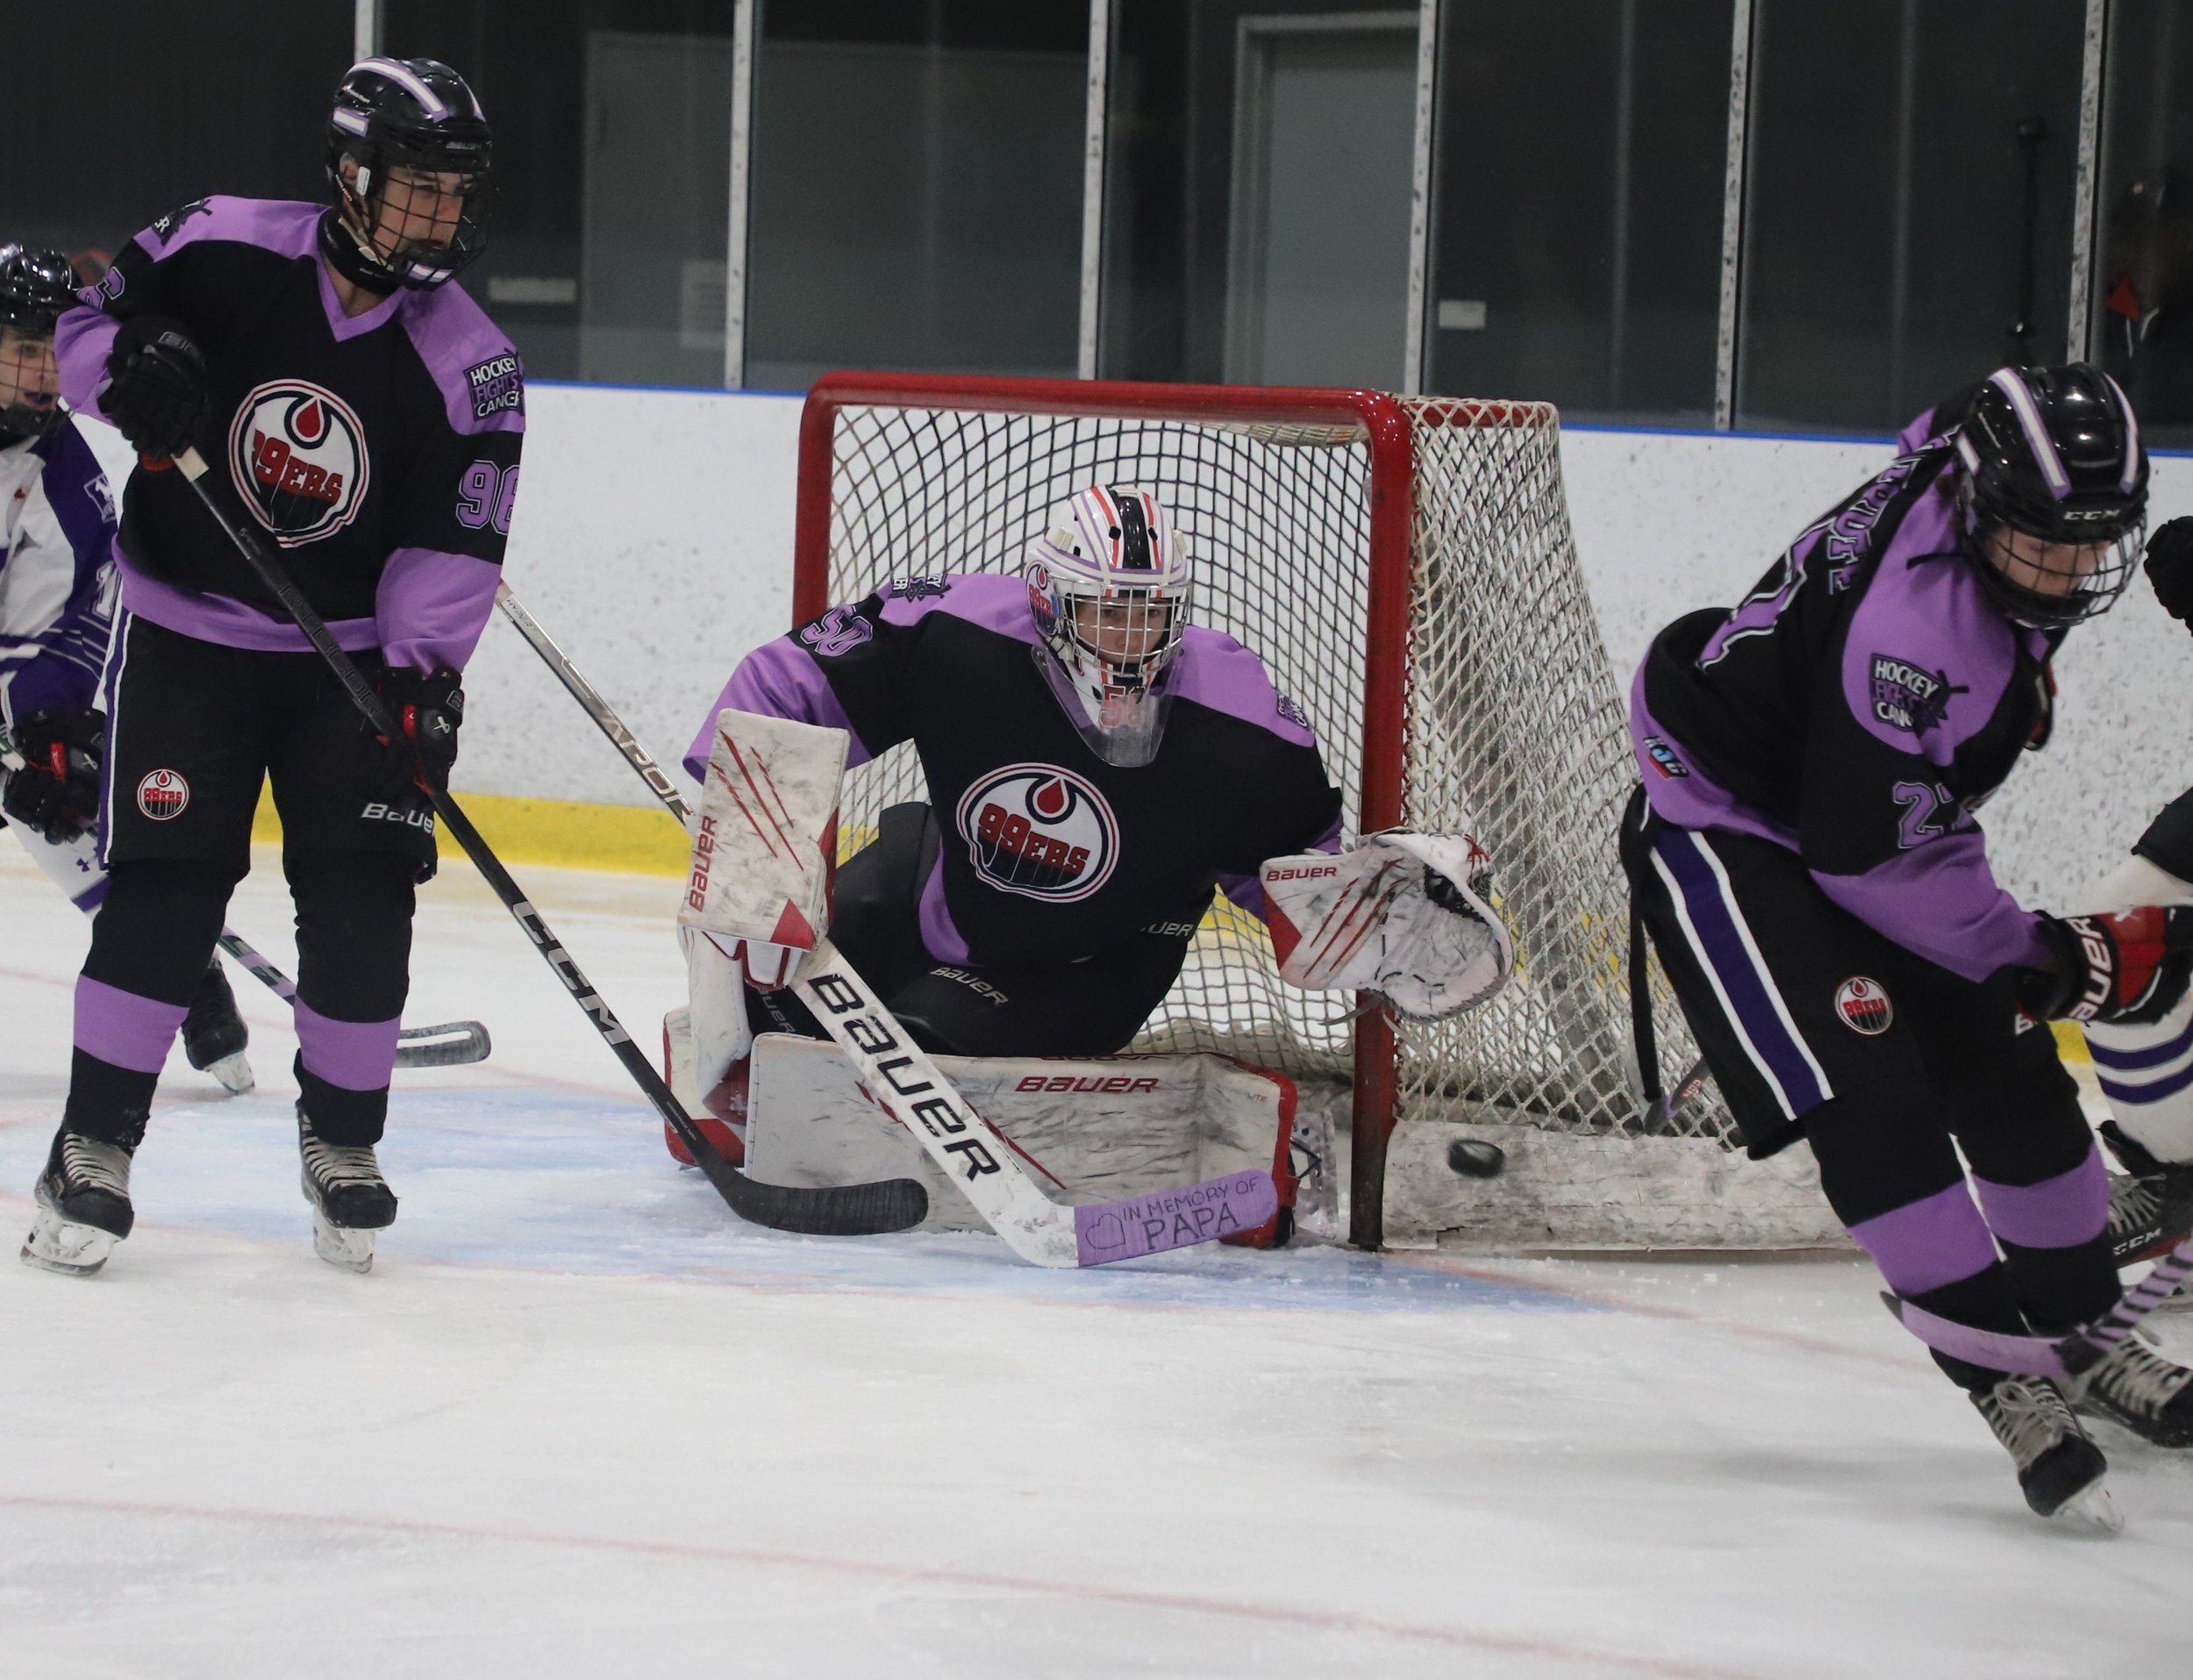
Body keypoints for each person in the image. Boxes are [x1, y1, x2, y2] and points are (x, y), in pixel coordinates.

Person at [1623, 364, 2193, 1527]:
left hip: (1852, 812)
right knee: (1872, 1097)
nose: (2072, 570)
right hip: (1735, 833)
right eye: (2043, 541)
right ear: (1983, 509)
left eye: (2094, 541)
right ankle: (2008, 1380)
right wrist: (2039, 952)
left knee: (2019, 1078)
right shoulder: (1917, 638)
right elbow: (1864, 861)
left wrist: (2020, 982)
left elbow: (1952, 406)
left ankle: (2084, 1335)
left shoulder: (1964, 457)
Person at [22, 57, 523, 1278]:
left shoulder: (473, 361)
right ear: (351, 175)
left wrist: (419, 679)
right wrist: (126, 366)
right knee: (164, 889)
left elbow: (450, 538)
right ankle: (91, 1146)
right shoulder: (219, 242)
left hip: (341, 663)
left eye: (457, 198)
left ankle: (341, 1141)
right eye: (418, 191)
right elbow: (84, 332)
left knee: (362, 900)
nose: (441, 220)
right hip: (189, 630)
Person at [668, 483, 1501, 1169]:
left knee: (919, 1058)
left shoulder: (1242, 723)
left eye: (1150, 615)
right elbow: (783, 687)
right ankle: (728, 1093)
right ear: (1046, 599)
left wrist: (1380, 915)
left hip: (1088, 962)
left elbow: (1295, 886)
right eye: (1107, 612)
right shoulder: (953, 631)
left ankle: (827, 1098)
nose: (1132, 642)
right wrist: (761, 851)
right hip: (935, 884)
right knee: (757, 986)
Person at [0, 242, 253, 1094]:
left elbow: (65, 622)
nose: (42, 372)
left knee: (71, 825)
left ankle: (189, 979)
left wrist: (49, 733)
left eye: (51, 349)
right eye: (21, 348)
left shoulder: (67, 482)